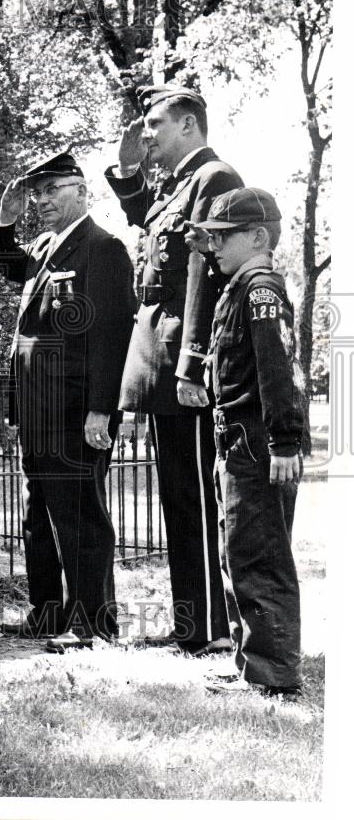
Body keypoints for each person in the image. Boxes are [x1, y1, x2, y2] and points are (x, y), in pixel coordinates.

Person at [106, 85, 243, 655]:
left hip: (183, 365)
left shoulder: (215, 178)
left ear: (188, 125)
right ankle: (196, 623)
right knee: (179, 497)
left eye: (155, 124)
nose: (147, 133)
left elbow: (202, 278)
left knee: (196, 499)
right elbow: (149, 224)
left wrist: (193, 365)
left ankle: (209, 625)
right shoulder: (181, 184)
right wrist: (125, 168)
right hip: (161, 361)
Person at [0, 152, 135, 652]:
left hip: (74, 411)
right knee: (40, 517)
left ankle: (95, 624)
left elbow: (111, 337)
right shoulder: (47, 247)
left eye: (53, 190)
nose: (42, 201)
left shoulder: (103, 248)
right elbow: (5, 263)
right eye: (37, 193)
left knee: (79, 516)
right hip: (38, 410)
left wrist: (101, 408)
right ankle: (48, 613)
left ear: (82, 192)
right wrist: (3, 220)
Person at [187, 188, 304, 700]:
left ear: (257, 236)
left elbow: (278, 373)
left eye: (221, 236)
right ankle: (248, 663)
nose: (212, 245)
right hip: (235, 442)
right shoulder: (238, 286)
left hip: (255, 443)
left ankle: (273, 674)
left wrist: (284, 441)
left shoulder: (260, 290)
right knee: (237, 555)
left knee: (260, 559)